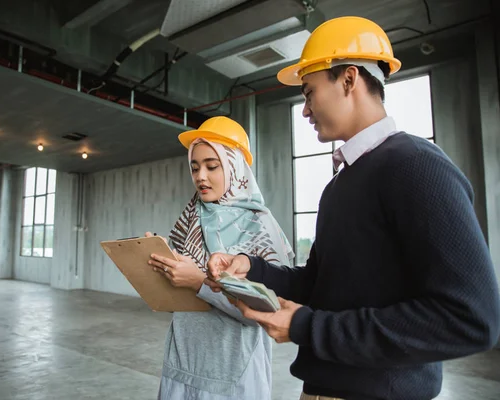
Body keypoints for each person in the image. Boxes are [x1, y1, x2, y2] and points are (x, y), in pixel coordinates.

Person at [206, 16, 500, 400]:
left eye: (309, 93)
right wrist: (253, 269)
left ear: (348, 79)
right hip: (324, 387)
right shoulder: (341, 184)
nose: (306, 110)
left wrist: (307, 328)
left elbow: (471, 319)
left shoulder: (416, 166)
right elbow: (320, 283)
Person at [145, 116, 294, 399]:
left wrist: (199, 282)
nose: (201, 175)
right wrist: (161, 261)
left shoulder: (260, 226)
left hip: (232, 373)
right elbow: (171, 294)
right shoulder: (189, 218)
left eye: (212, 166)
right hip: (183, 362)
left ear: (235, 166)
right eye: (194, 167)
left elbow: (266, 312)